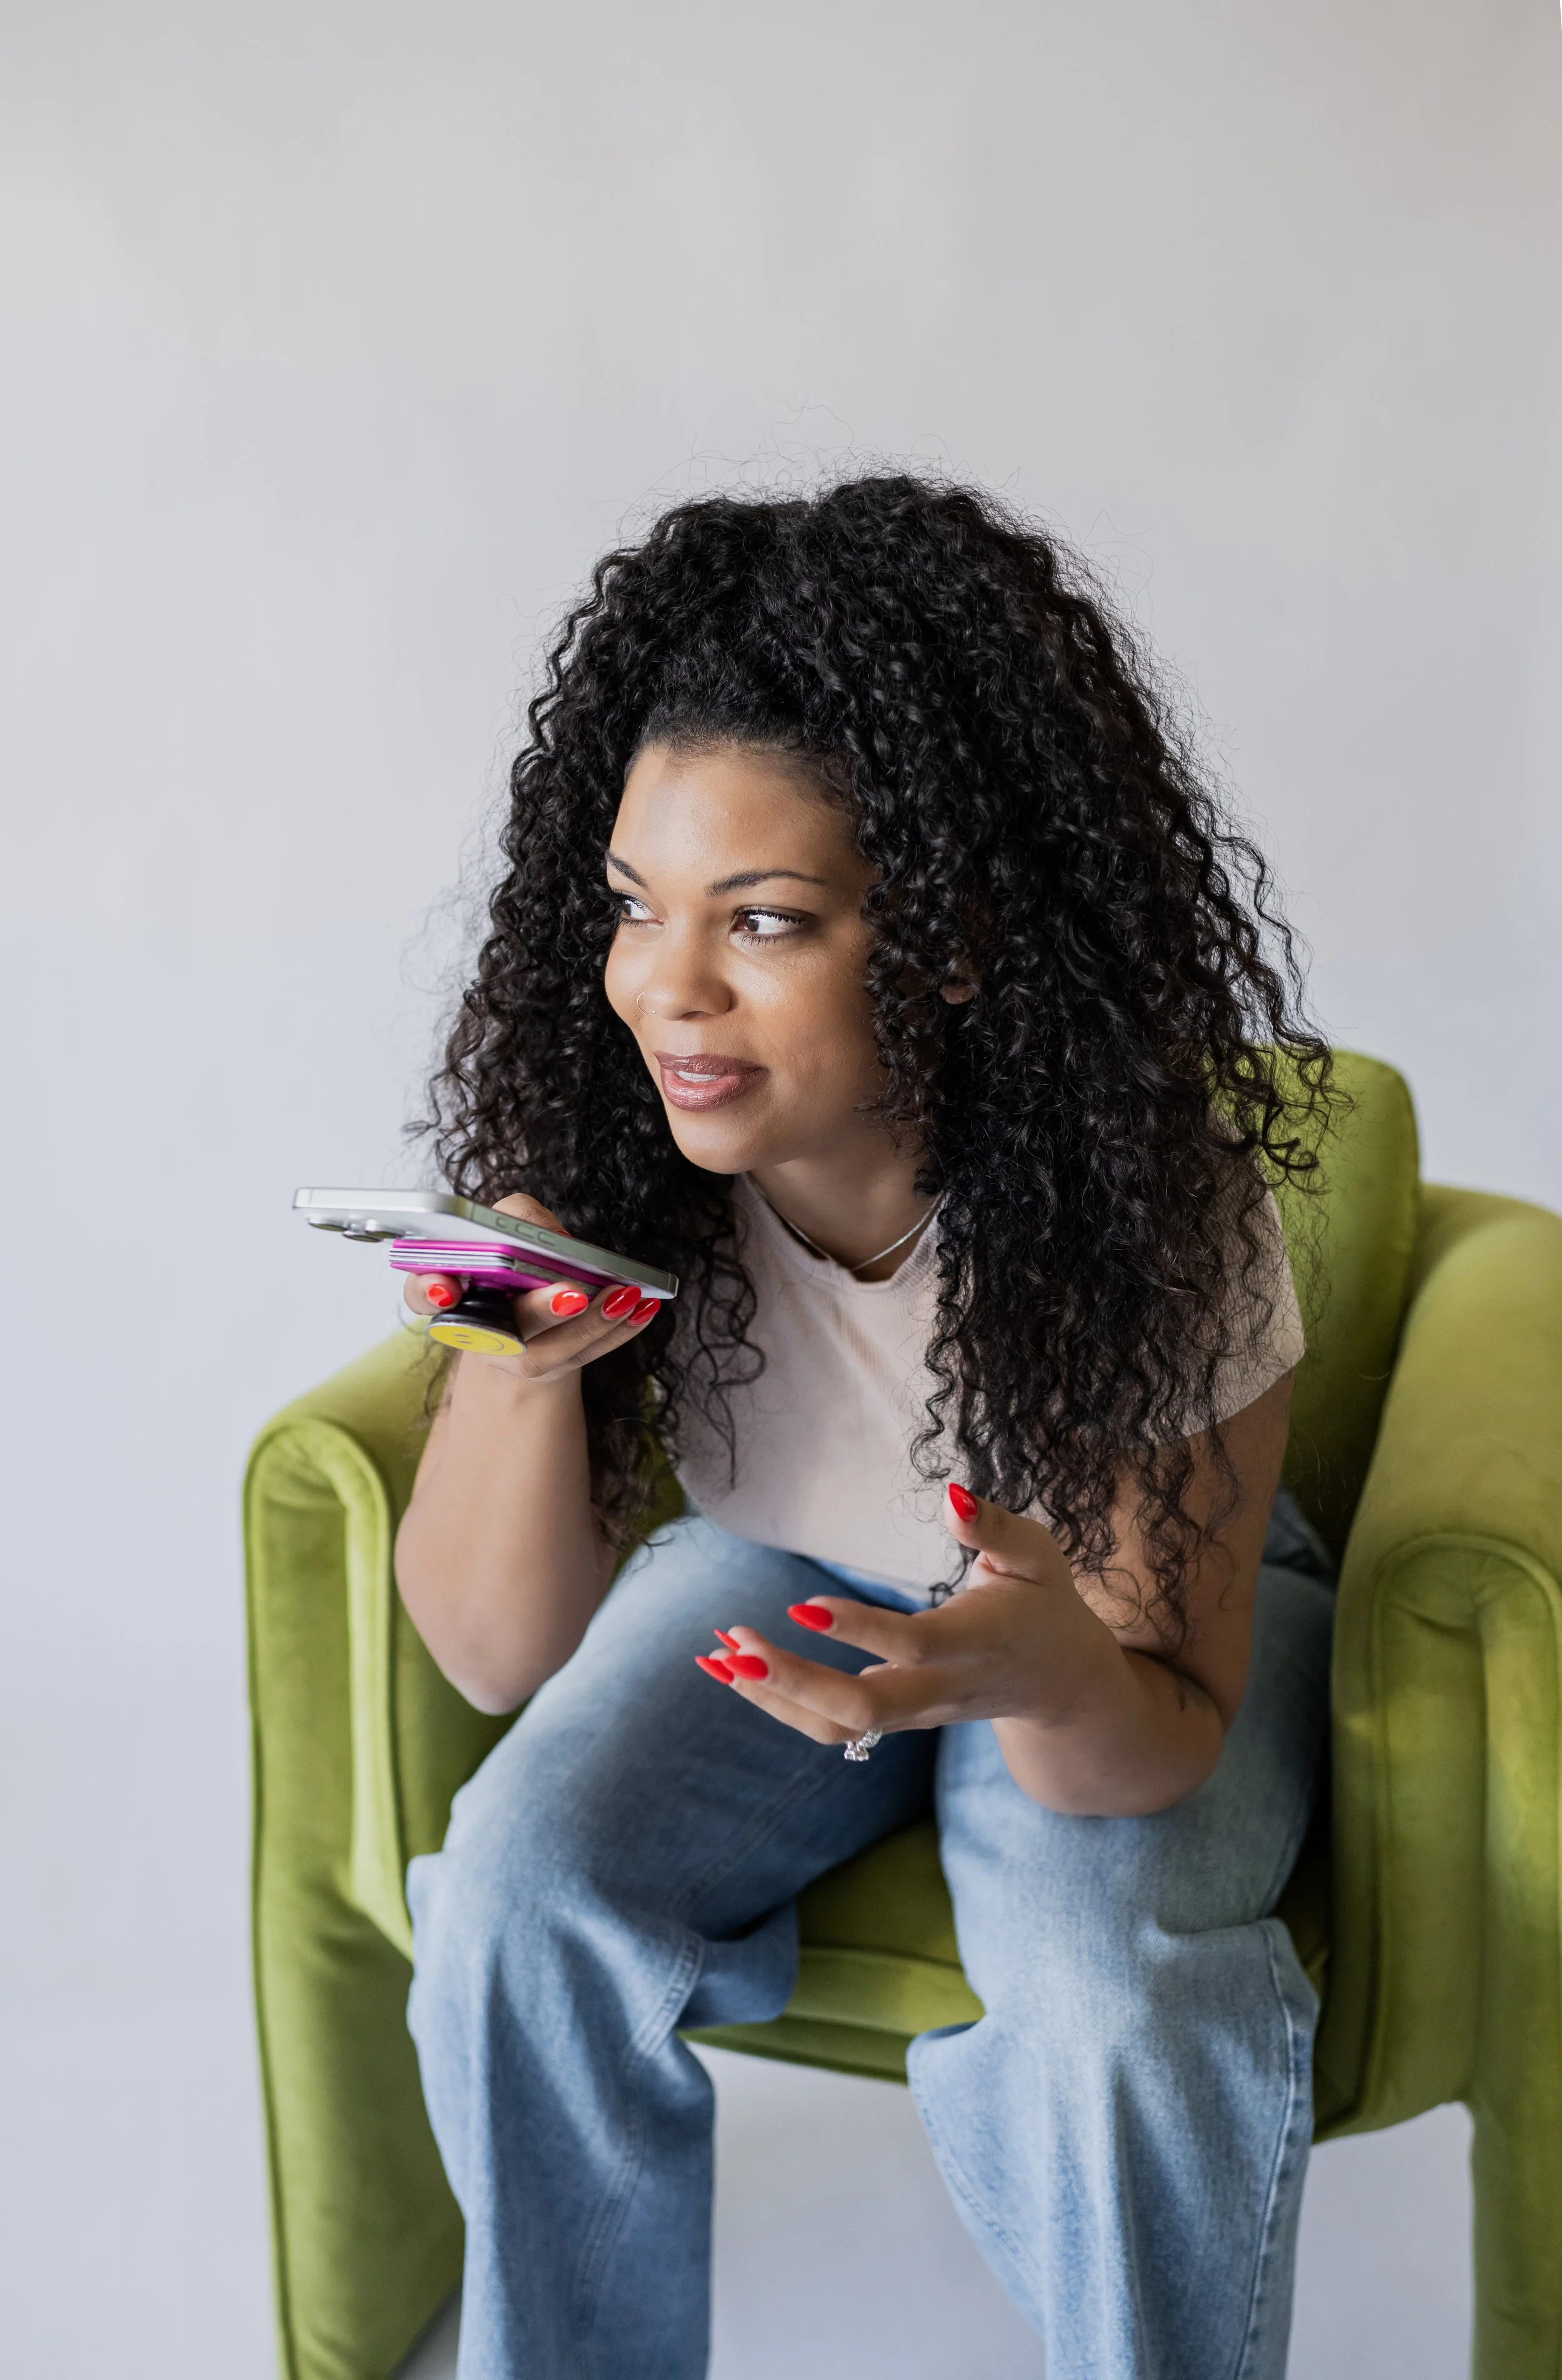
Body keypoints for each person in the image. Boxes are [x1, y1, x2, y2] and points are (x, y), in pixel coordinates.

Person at [394, 474, 1338, 2380]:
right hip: (783, 1568)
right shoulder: (621, 1148)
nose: (668, 989)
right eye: (635, 907)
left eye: (764, 921)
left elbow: (1153, 1723)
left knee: (1104, 2002)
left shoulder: (1146, 1210)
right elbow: (491, 1655)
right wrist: (520, 1363)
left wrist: (1034, 1674)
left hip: (1100, 1641)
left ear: (954, 939)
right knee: (512, 1885)